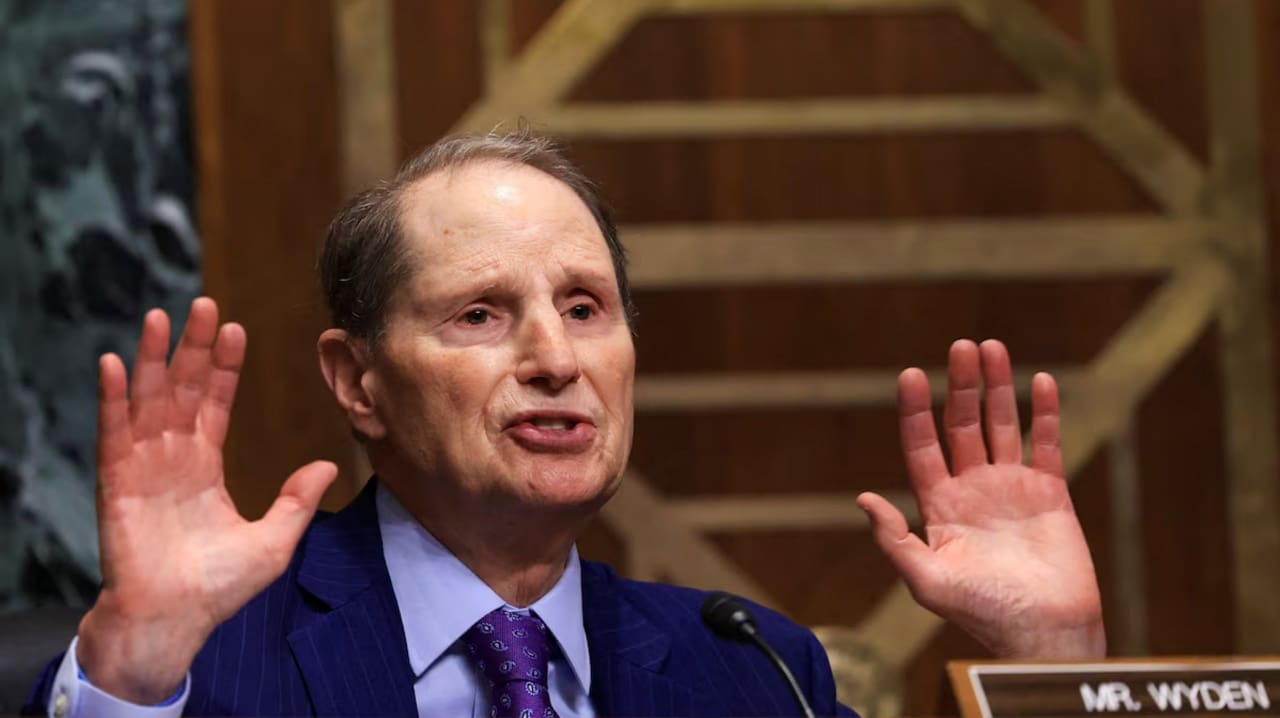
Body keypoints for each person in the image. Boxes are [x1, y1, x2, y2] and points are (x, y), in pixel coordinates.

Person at [25, 130, 1105, 718]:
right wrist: (134, 671)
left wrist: (1053, 667)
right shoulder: (200, 667)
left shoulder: (754, 673)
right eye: (481, 314)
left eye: (585, 308)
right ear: (357, 382)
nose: (555, 360)